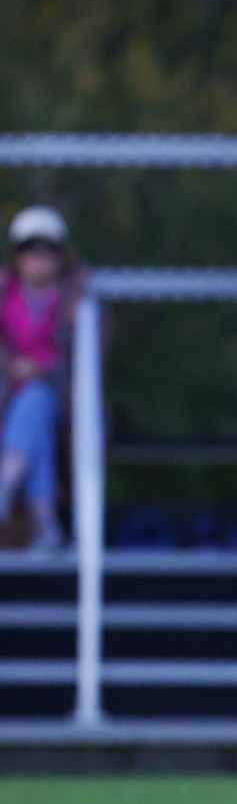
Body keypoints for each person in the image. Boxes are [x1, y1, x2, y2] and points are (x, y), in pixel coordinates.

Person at [0, 207, 85, 552]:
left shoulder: (74, 298)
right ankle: (45, 520)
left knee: (36, 400)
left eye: (47, 252)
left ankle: (6, 482)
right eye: (30, 252)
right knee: (36, 427)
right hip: (9, 393)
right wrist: (12, 366)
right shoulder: (5, 294)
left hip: (58, 394)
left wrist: (40, 367)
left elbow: (85, 352)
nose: (39, 261)